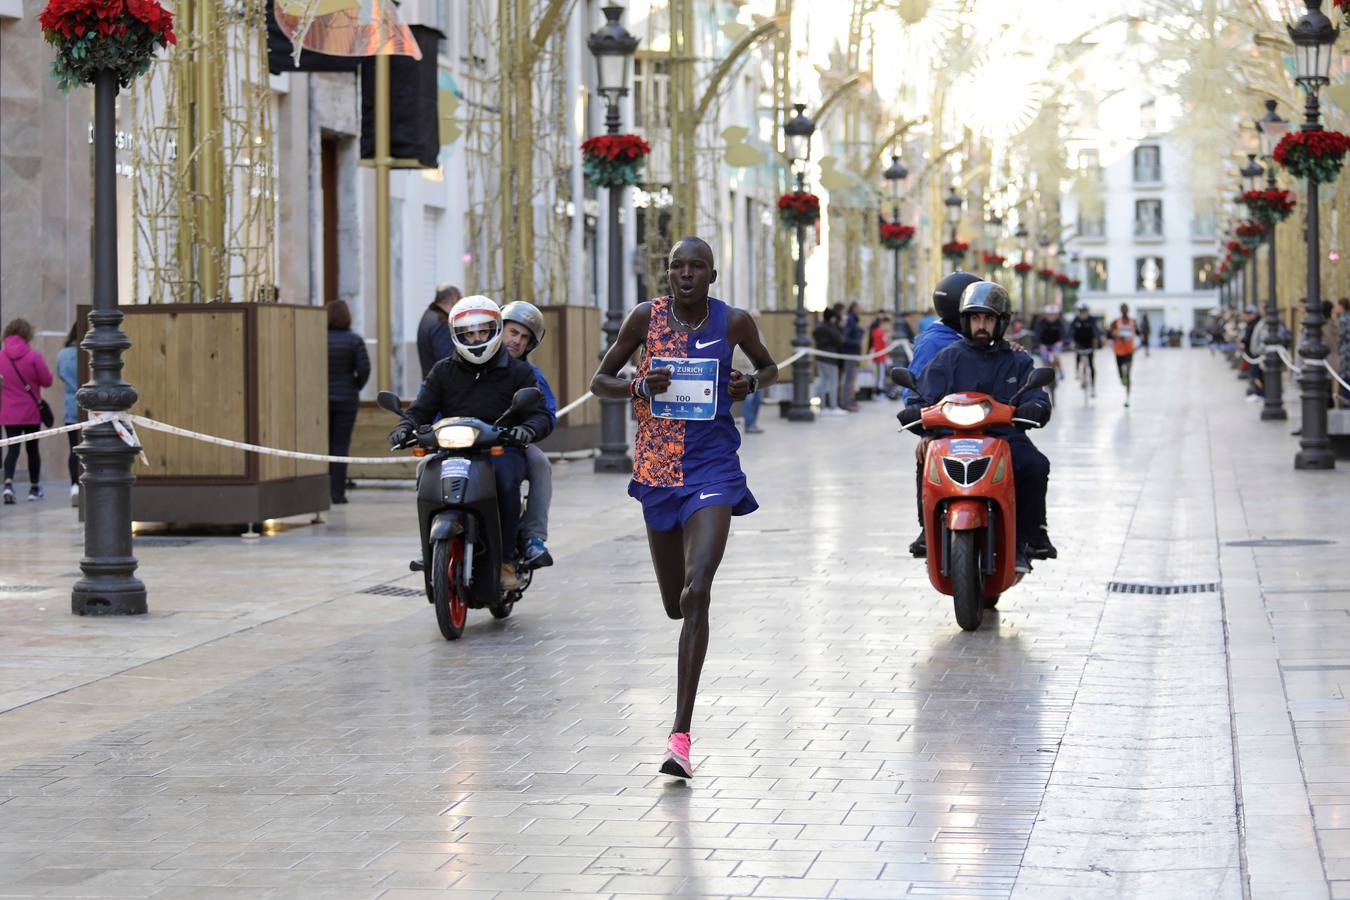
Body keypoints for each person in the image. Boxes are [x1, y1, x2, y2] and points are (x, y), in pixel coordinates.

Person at [589, 237, 778, 780]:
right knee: (676, 604)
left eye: (697, 266)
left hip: (713, 468)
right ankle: (685, 621)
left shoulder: (734, 322)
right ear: (668, 274)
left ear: (712, 276)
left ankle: (679, 737)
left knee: (698, 591)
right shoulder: (645, 319)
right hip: (658, 471)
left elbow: (770, 370)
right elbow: (599, 381)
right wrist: (636, 385)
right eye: (678, 267)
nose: (687, 274)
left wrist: (748, 382)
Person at [389, 296, 552, 591]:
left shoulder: (520, 372)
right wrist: (405, 426)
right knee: (426, 470)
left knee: (504, 480)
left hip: (500, 447)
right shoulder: (442, 371)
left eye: (483, 331)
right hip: (453, 448)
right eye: (468, 333)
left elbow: (540, 413)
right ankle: (428, 547)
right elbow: (420, 409)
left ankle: (506, 560)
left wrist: (526, 430)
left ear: (495, 330)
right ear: (457, 335)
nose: (476, 338)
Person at [901, 282, 1054, 573]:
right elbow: (925, 393)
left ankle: (1029, 536)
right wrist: (915, 413)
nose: (981, 325)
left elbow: (1036, 394)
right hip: (954, 435)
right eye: (975, 318)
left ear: (1001, 322)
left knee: (1035, 464)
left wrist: (1036, 406)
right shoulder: (948, 357)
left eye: (989, 319)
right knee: (926, 457)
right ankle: (927, 528)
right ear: (965, 321)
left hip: (1005, 436)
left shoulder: (1017, 359)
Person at [902, 271, 983, 557]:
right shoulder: (935, 342)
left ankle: (1026, 531)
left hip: (986, 423)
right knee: (926, 461)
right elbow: (914, 389)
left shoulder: (979, 335)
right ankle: (928, 528)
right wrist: (927, 429)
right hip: (947, 426)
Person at [500, 300, 557, 568]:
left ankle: (533, 537)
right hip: (465, 440)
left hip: (511, 442)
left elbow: (547, 412)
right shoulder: (463, 364)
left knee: (539, 463)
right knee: (427, 465)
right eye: (513, 332)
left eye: (524, 338)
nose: (516, 341)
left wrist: (526, 431)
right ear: (498, 330)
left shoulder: (530, 374)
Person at [1, 318, 53, 504]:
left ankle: (8, 484)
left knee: (12, 450)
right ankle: (34, 488)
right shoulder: (34, 356)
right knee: (32, 450)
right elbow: (47, 381)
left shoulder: (1, 356)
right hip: (31, 412)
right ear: (27, 335)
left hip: (9, 413)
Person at [326, 300, 370, 504]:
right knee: (340, 445)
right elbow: (364, 370)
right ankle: (338, 493)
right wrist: (354, 387)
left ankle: (323, 490)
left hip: (321, 400)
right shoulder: (354, 340)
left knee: (324, 445)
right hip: (346, 399)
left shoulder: (319, 339)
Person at [56, 324, 82, 506]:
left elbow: (59, 375)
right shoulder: (90, 352)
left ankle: (74, 486)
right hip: (91, 406)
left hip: (71, 405)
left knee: (74, 448)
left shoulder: (62, 354)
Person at [416, 283, 461, 379]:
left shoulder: (429, 314)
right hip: (440, 388)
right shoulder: (441, 322)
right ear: (454, 299)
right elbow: (448, 362)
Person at [738, 308, 766, 433]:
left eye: (758, 318)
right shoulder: (743, 332)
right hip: (748, 372)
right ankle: (749, 425)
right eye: (754, 318)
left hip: (758, 372)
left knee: (758, 399)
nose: (757, 321)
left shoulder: (758, 332)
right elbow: (738, 354)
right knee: (749, 400)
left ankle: (753, 422)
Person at [1107, 302, 1140, 407]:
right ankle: (1122, 378)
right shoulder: (1116, 322)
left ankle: (1127, 398)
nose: (1124, 311)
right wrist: (1116, 336)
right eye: (1123, 309)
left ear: (1128, 310)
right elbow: (1109, 334)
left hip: (1129, 351)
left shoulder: (1133, 322)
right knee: (1122, 375)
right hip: (1118, 352)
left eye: (1126, 309)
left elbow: (1139, 333)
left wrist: (1138, 344)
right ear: (1120, 310)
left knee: (1128, 373)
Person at [812, 308, 844, 415]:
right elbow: (840, 340)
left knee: (823, 382)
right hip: (830, 359)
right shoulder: (831, 329)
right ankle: (833, 407)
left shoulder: (818, 328)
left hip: (820, 358)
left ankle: (823, 407)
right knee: (833, 383)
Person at [1069, 302, 1103, 395]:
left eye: (1085, 311)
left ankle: (1093, 387)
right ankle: (1077, 372)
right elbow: (1071, 331)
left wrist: (1098, 341)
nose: (1083, 313)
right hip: (1079, 343)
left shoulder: (1092, 320)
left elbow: (1097, 331)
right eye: (1081, 311)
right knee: (1078, 357)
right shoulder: (1076, 320)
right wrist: (1070, 341)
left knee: (1091, 365)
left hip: (1089, 344)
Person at [839, 302, 864, 411]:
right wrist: (856, 342)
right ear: (854, 308)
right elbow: (846, 336)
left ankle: (849, 400)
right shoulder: (850, 319)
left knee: (851, 378)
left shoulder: (853, 319)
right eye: (859, 307)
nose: (860, 309)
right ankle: (846, 402)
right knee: (849, 379)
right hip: (850, 352)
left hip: (853, 352)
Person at [1034, 304, 1066, 381]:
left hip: (1056, 343)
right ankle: (1044, 376)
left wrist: (1065, 341)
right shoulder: (1041, 322)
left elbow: (1064, 333)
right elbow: (1037, 333)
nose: (1051, 317)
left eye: (1053, 314)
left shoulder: (1059, 322)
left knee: (1056, 356)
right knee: (1044, 360)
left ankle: (1060, 370)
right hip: (1044, 343)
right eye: (1049, 315)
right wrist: (1036, 343)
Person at [1337, 298, 1350, 404]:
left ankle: (1346, 400)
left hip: (1346, 351)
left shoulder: (1342, 319)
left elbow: (1341, 337)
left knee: (1345, 375)